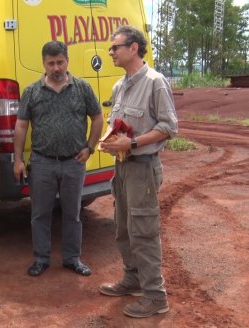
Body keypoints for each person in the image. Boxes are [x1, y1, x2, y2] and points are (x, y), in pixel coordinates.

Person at [98, 25, 178, 318]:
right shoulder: (120, 86)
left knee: (143, 231)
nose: (111, 52)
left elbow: (168, 128)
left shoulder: (155, 83)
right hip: (123, 168)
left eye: (115, 47)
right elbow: (116, 123)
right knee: (123, 228)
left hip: (143, 169)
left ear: (133, 48)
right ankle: (132, 280)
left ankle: (155, 296)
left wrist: (131, 142)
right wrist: (109, 141)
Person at [13, 41, 103, 277]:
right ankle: (41, 259)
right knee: (40, 214)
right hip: (42, 163)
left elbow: (97, 118)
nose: (56, 67)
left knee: (72, 214)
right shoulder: (32, 91)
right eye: (51, 63)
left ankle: (72, 258)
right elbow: (21, 126)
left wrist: (90, 148)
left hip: (74, 162)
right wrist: (18, 159)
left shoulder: (82, 88)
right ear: (43, 63)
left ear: (67, 61)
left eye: (60, 62)